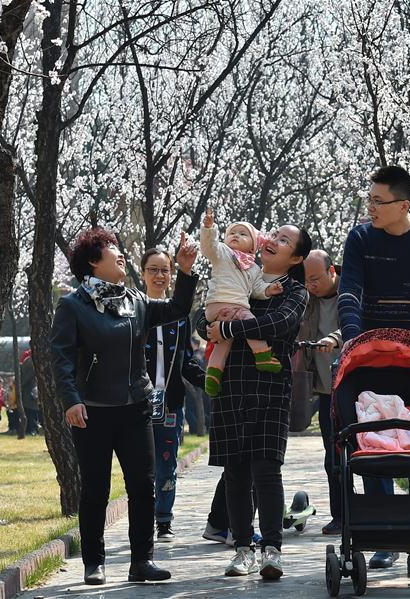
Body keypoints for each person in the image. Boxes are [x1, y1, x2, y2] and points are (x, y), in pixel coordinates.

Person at [51, 227, 198, 585]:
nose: (120, 254)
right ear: (92, 261)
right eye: (111, 248)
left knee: (142, 487)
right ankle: (93, 563)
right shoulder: (73, 305)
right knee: (96, 489)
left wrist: (185, 270)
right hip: (92, 411)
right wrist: (71, 400)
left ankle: (142, 561)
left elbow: (178, 308)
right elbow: (61, 358)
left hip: (135, 407)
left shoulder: (136, 301)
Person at [338, 165, 410, 572]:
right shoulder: (360, 239)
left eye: (378, 201)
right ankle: (381, 533)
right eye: (368, 200)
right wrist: (353, 339)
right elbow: (350, 292)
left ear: (403, 205)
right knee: (368, 438)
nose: (370, 208)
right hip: (369, 355)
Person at [198, 223, 311, 580]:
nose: (273, 241)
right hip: (231, 385)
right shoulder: (240, 272)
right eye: (273, 235)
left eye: (284, 240)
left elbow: (279, 323)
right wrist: (210, 325)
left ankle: (272, 550)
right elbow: (203, 316)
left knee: (266, 470)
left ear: (296, 258)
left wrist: (227, 329)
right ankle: (242, 550)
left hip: (270, 389)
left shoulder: (295, 292)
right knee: (235, 473)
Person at [140, 247, 206, 542]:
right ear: (143, 273)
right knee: (141, 466)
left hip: (170, 402)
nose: (159, 275)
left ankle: (164, 519)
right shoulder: (135, 310)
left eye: (164, 270)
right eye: (153, 269)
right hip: (137, 403)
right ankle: (141, 520)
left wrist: (209, 381)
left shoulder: (179, 317)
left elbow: (187, 361)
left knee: (167, 462)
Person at [199, 207, 284, 395]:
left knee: (223, 342)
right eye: (232, 233)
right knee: (250, 322)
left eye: (243, 234)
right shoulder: (222, 252)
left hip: (222, 310)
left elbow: (257, 289)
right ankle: (262, 355)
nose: (235, 235)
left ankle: (212, 374)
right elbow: (208, 247)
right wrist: (209, 229)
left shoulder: (253, 269)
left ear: (253, 246)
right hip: (224, 304)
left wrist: (269, 289)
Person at [297, 249, 343, 534]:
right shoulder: (306, 300)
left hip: (353, 388)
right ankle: (340, 516)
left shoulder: (351, 292)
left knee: (362, 456)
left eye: (315, 279)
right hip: (326, 391)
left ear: (332, 271)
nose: (310, 285)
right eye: (306, 280)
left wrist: (334, 339)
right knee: (332, 457)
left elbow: (355, 326)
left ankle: (371, 513)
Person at [20, 350, 40, 435]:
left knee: (29, 410)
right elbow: (29, 376)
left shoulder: (28, 361)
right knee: (31, 410)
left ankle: (31, 429)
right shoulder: (31, 362)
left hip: (28, 390)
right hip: (30, 389)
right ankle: (32, 429)